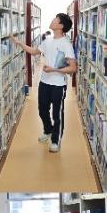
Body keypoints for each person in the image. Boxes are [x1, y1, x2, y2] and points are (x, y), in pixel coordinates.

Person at [11, 13, 76, 152]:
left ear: (61, 25)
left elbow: (73, 68)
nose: (52, 20)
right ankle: (48, 130)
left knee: (57, 114)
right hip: (44, 82)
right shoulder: (47, 41)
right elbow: (34, 52)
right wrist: (20, 43)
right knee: (42, 110)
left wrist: (54, 69)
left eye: (55, 19)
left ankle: (55, 140)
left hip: (59, 85)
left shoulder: (66, 44)